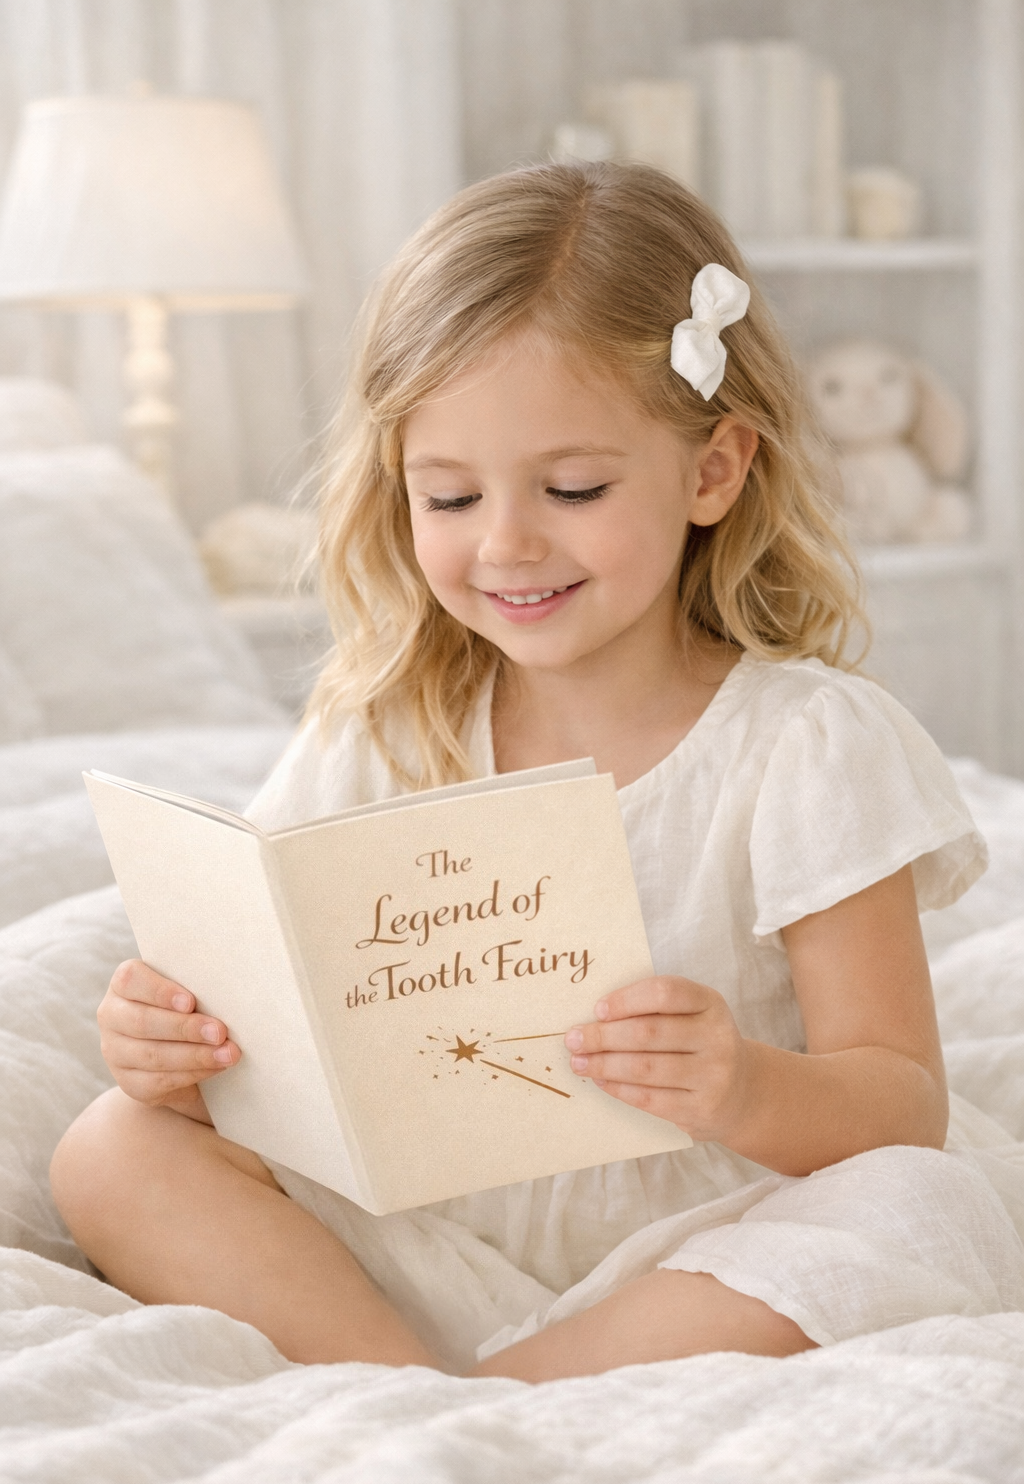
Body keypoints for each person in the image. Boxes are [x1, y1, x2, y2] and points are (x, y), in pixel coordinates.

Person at [51, 162, 1024, 1381]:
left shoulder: (805, 746)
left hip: (710, 1239)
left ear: (713, 470)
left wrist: (739, 1087)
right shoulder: (382, 730)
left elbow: (897, 1105)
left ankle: (496, 1393)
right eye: (450, 496)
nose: (506, 543)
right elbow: (281, 1035)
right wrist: (179, 1056)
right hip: (426, 1238)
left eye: (572, 489)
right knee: (110, 1146)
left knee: (920, 1208)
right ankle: (425, 1389)